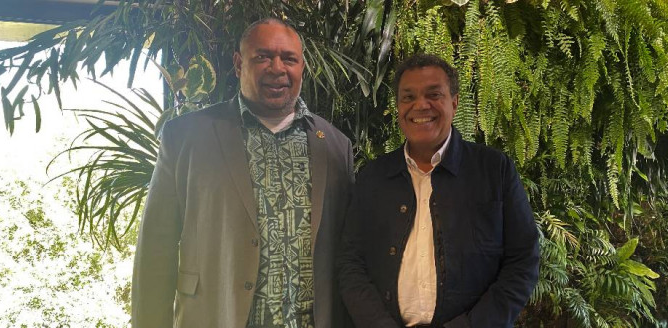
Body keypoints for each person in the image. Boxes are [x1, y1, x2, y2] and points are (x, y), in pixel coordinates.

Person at [132, 18, 354, 328]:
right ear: (238, 64)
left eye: (289, 58)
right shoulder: (185, 137)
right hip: (216, 317)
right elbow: (156, 249)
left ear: (302, 66)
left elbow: (348, 255)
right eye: (263, 56)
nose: (277, 68)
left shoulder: (335, 146)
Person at [338, 54, 539, 328]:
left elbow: (523, 260)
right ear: (398, 107)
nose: (420, 105)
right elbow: (351, 263)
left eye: (433, 94)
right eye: (408, 97)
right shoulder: (373, 178)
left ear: (454, 103)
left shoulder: (494, 171)